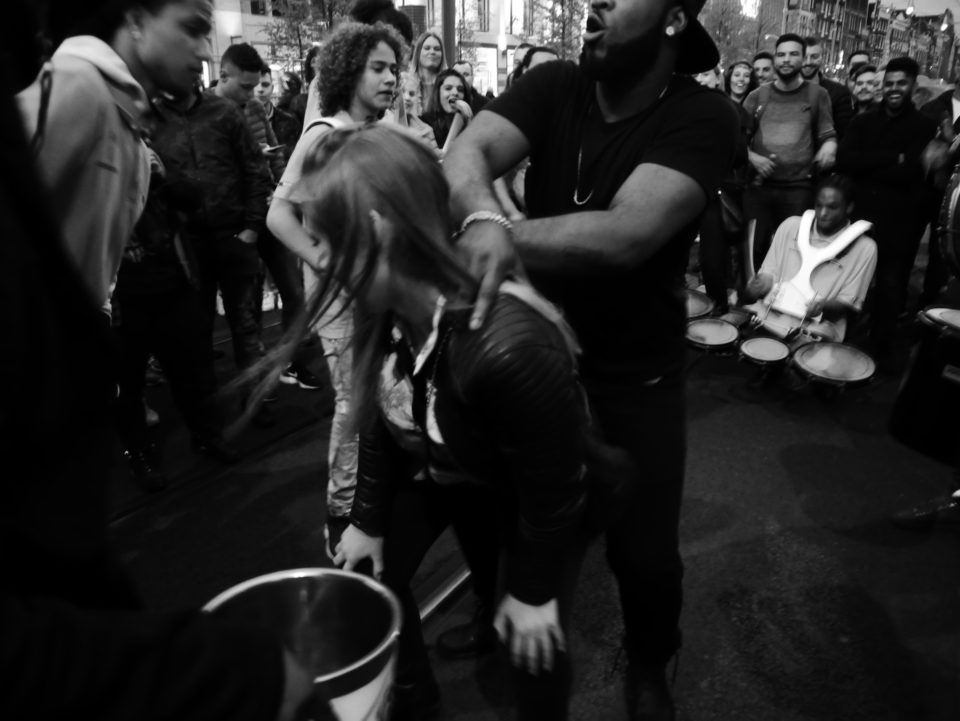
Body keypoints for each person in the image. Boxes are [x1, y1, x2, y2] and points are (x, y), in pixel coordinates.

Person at [1, 1, 314, 718]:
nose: (206, 45)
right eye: (192, 25)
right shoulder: (79, 86)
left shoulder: (126, 111)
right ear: (137, 21)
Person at [443, 0, 739, 717]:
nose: (596, 2)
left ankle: (650, 658)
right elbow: (464, 155)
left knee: (644, 555)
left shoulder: (703, 114)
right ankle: (499, 613)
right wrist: (482, 215)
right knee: (513, 516)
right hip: (544, 367)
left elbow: (626, 233)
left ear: (673, 20)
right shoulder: (557, 85)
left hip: (638, 380)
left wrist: (499, 237)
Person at [294, 124, 592, 721]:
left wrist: (534, 591)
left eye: (325, 242)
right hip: (444, 465)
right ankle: (414, 700)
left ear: (377, 229)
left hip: (513, 491)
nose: (320, 261)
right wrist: (367, 521)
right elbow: (379, 414)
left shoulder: (506, 345)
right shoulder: (386, 303)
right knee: (364, 570)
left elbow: (557, 488)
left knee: (529, 642)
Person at [266, 20, 404, 568]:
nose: (391, 78)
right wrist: (326, 261)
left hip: (376, 290)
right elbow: (279, 215)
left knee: (374, 398)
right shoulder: (324, 134)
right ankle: (342, 513)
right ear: (349, 71)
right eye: (378, 68)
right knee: (353, 405)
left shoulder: (376, 131)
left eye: (394, 68)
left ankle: (368, 509)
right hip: (341, 301)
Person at [151, 47, 275, 424]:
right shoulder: (151, 118)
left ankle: (254, 403)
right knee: (197, 331)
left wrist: (251, 229)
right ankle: (208, 418)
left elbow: (255, 170)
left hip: (233, 236)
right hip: (186, 245)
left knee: (246, 326)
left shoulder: (224, 113)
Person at [837, 56, 938, 371]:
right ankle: (839, 342)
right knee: (850, 281)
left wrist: (871, 162)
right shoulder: (863, 121)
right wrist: (894, 157)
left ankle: (880, 352)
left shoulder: (924, 126)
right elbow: (845, 160)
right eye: (889, 83)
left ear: (912, 86)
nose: (894, 89)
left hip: (900, 221)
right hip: (861, 216)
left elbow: (911, 173)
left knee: (890, 287)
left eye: (901, 83)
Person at [737, 174, 877, 343]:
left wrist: (822, 306)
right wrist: (760, 285)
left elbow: (847, 304)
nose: (823, 213)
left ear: (849, 207)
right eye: (819, 205)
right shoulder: (791, 226)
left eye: (832, 207)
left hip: (815, 331)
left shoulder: (864, 248)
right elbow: (769, 273)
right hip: (766, 317)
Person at [742, 33, 837, 270]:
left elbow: (827, 133)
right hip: (759, 186)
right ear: (775, 58)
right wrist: (752, 157)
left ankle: (783, 293)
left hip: (798, 188)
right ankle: (751, 293)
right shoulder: (757, 96)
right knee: (753, 251)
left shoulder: (817, 95)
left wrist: (829, 146)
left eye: (793, 54)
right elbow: (736, 140)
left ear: (803, 58)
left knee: (792, 251)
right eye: (781, 54)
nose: (786, 59)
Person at [801, 36, 854, 139]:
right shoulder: (785, 90)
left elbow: (843, 134)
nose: (808, 62)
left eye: (814, 57)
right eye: (804, 57)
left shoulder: (839, 93)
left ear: (822, 58)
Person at [420, 68, 473, 152]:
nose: (455, 93)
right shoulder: (423, 123)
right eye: (448, 88)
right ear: (438, 93)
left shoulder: (471, 123)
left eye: (460, 89)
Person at [256, 64, 302, 159]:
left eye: (265, 85)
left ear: (272, 88)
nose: (260, 89)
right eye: (255, 85)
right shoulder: (238, 123)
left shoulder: (291, 123)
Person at [396, 69, 440, 153]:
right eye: (402, 92)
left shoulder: (426, 130)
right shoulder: (381, 123)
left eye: (411, 94)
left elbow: (436, 157)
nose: (407, 98)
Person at [411, 30, 446, 116]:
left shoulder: (448, 84)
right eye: (427, 48)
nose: (432, 52)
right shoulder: (405, 83)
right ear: (418, 52)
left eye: (437, 49)